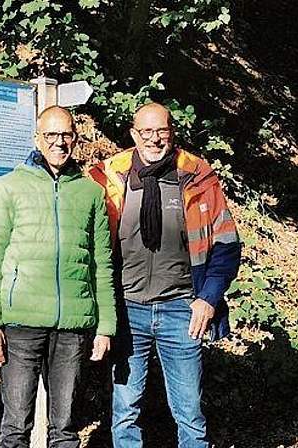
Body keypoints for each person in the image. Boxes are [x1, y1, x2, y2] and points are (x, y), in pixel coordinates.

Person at [89, 103, 241, 448]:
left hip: (182, 310)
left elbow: (227, 245)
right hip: (127, 309)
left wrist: (208, 299)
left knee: (189, 411)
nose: (155, 139)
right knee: (125, 409)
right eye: (147, 132)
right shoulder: (110, 178)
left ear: (172, 132)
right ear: (133, 134)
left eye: (162, 131)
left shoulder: (197, 176)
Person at [0, 105, 116, 448]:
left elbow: (102, 263)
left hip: (73, 325)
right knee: (15, 428)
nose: (58, 142)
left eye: (65, 134)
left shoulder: (91, 193)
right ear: (37, 138)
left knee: (65, 430)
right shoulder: (10, 187)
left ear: (75, 138)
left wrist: (105, 326)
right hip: (20, 323)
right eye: (50, 135)